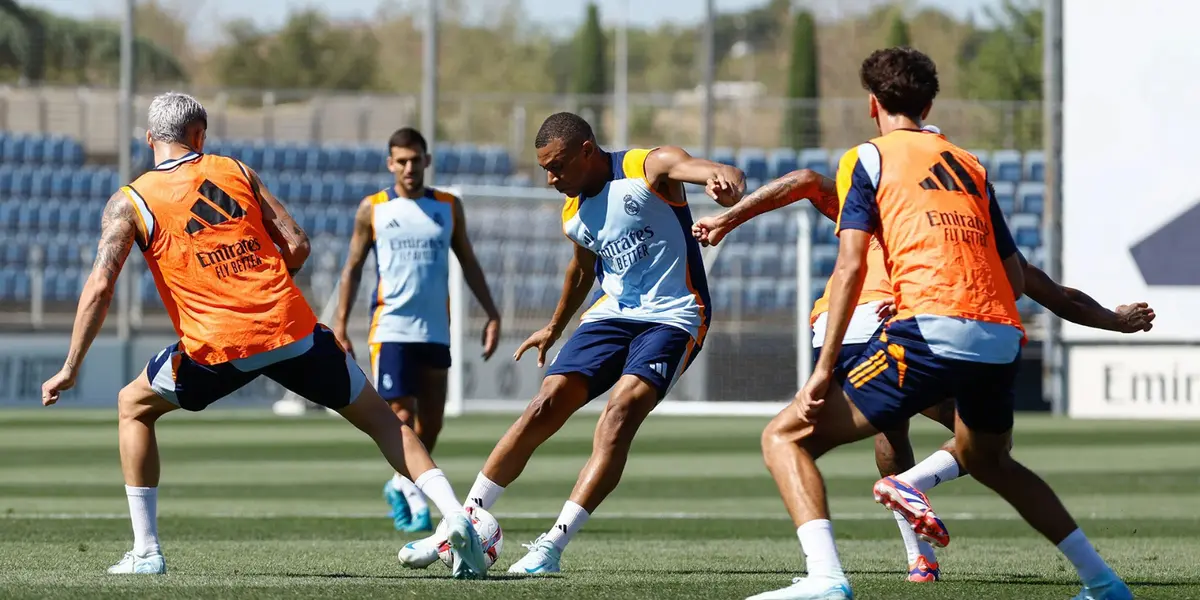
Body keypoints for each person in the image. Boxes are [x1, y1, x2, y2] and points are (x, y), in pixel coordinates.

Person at [731, 48, 1133, 600]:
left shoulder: (866, 158)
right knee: (988, 459)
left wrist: (823, 370)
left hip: (929, 324)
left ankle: (825, 580)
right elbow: (1014, 277)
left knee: (785, 438)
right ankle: (1104, 583)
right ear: (930, 102)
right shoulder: (970, 165)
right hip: (999, 333)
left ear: (873, 104)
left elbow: (851, 265)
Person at [39, 92, 490, 580]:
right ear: (199, 136)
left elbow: (101, 285)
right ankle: (454, 516)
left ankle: (146, 551)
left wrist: (70, 366)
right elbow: (296, 244)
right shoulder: (235, 170)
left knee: (133, 406)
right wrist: (264, 281)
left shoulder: (130, 201)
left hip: (217, 347)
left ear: (150, 139)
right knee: (384, 421)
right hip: (290, 327)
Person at [695, 167, 1156, 584]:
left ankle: (914, 558)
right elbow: (1054, 295)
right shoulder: (968, 239)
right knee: (984, 445)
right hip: (903, 327)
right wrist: (1115, 321)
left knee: (879, 431)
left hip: (839, 326)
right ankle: (896, 511)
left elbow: (804, 180)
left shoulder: (888, 203)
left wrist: (725, 220)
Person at [395, 111, 746, 575]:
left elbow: (710, 170)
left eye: (557, 166)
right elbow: (581, 270)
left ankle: (551, 547)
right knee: (545, 402)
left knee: (618, 414)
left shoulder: (648, 167)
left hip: (674, 317)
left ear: (586, 151)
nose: (549, 179)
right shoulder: (573, 209)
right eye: (544, 168)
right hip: (611, 314)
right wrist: (555, 327)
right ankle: (459, 522)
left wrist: (726, 182)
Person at [331, 127, 501, 533]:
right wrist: (339, 323)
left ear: (427, 160)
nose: (409, 167)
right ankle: (413, 492)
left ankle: (398, 479)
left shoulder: (448, 206)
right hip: (390, 328)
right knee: (401, 415)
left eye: (415, 159)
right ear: (391, 164)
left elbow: (469, 261)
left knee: (433, 423)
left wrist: (492, 312)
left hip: (435, 330)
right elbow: (353, 268)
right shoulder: (372, 209)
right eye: (401, 161)